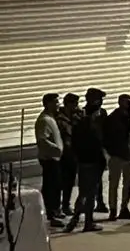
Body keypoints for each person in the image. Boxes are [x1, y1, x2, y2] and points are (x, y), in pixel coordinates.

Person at [65, 88, 107, 233]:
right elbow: (97, 138)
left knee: (87, 191)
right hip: (91, 159)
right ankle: (81, 220)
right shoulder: (89, 118)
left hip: (87, 159)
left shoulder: (83, 116)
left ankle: (80, 220)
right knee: (88, 192)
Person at [104, 92, 130, 220]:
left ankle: (124, 208)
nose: (129, 104)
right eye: (126, 102)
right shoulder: (112, 119)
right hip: (117, 156)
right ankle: (113, 209)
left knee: (128, 183)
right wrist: (111, 152)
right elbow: (107, 137)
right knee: (114, 183)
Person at [34, 92, 64, 221]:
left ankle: (55, 210)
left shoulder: (51, 117)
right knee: (50, 186)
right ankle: (50, 213)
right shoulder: (44, 120)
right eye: (56, 102)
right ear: (48, 104)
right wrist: (56, 150)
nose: (58, 105)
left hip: (55, 158)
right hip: (49, 159)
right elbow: (42, 140)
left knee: (56, 185)